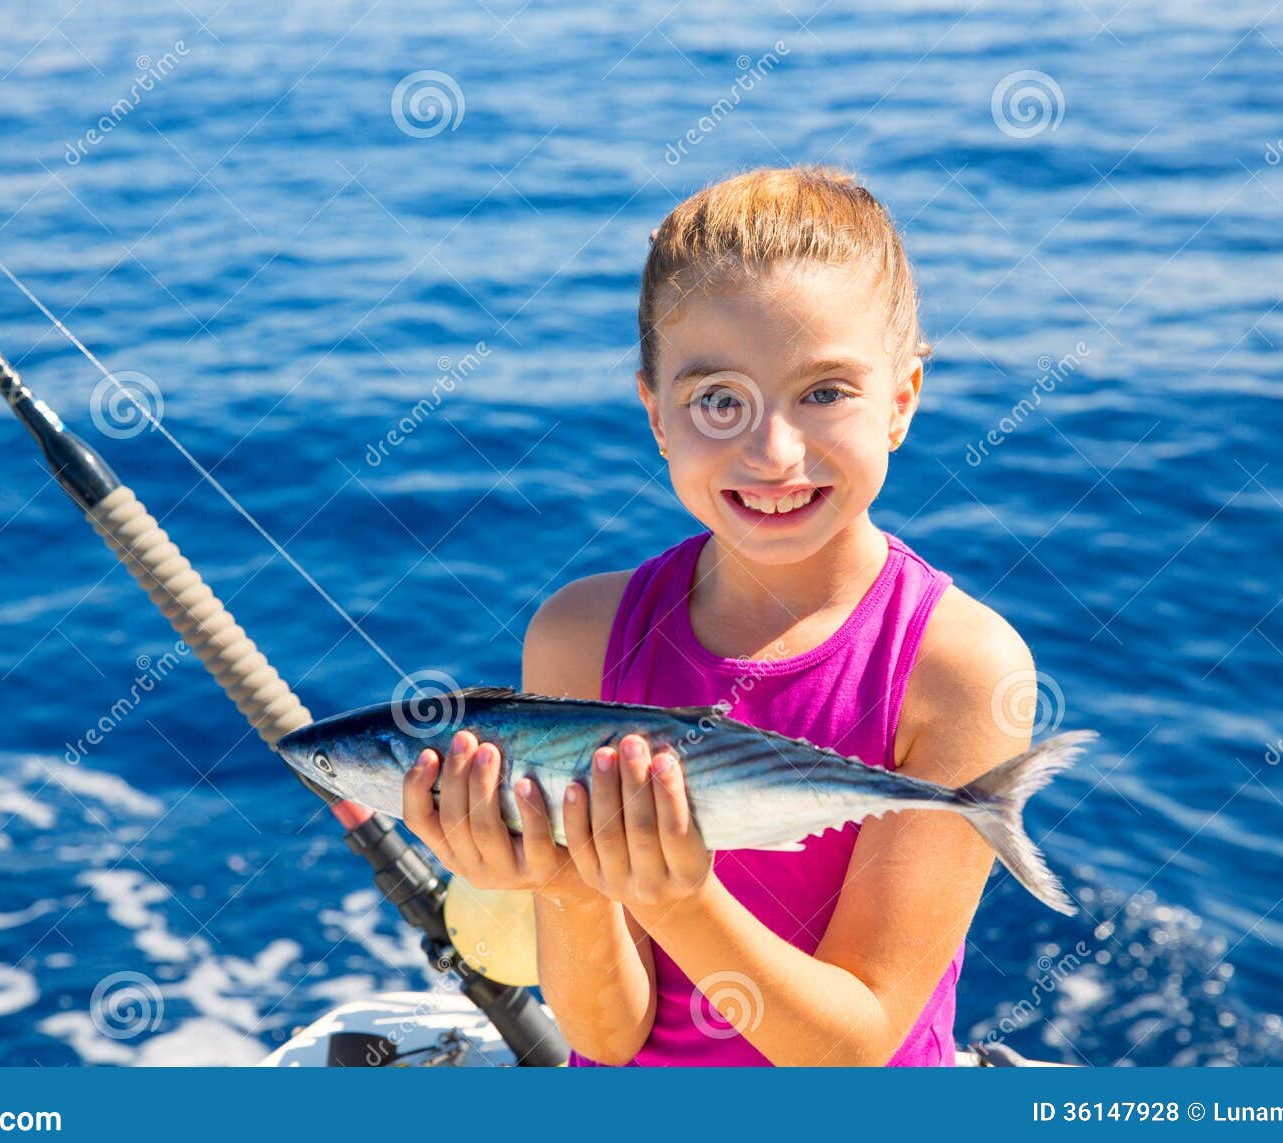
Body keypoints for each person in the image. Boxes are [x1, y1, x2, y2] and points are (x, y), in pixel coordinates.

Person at [400, 164, 1040, 1066]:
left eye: (824, 392)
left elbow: (852, 1047)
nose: (774, 452)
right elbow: (605, 1035)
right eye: (717, 400)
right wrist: (565, 883)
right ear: (656, 413)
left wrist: (676, 896)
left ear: (902, 400)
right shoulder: (579, 635)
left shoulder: (957, 665)